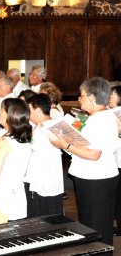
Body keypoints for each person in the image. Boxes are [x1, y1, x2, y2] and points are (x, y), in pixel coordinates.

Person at [49, 77, 118, 246]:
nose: (80, 99)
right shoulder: (99, 117)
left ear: (92, 98)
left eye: (82, 96)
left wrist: (65, 144)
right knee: (93, 224)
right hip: (94, 177)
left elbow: (94, 154)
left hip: (96, 179)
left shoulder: (100, 120)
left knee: (96, 226)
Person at [25, 94, 64, 218]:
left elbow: (34, 154)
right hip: (49, 179)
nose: (27, 113)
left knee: (44, 216)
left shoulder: (45, 128)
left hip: (42, 180)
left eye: (29, 109)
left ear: (37, 109)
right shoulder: (51, 124)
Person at [108, 85, 121, 235]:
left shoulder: (115, 113)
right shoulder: (111, 112)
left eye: (112, 95)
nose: (109, 97)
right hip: (116, 160)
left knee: (118, 196)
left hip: (118, 160)